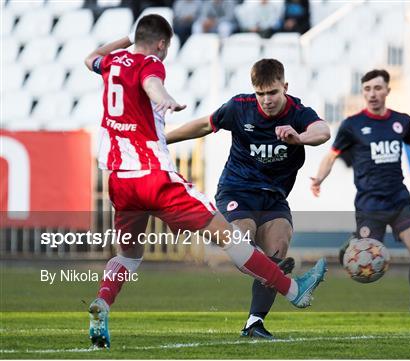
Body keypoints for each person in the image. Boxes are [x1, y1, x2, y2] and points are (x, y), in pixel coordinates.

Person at [84, 14, 327, 349]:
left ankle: (103, 302)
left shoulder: (112, 62)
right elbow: (151, 81)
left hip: (119, 180)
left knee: (129, 255)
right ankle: (294, 290)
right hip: (155, 176)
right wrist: (163, 96)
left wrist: (127, 41)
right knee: (231, 237)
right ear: (162, 44)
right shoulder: (152, 64)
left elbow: (90, 57)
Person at [166, 58, 331, 338]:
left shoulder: (298, 112)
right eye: (261, 94)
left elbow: (323, 132)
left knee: (278, 247)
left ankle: (254, 323)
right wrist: (162, 140)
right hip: (237, 190)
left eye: (273, 93)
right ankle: (284, 281)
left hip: (275, 197)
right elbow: (203, 126)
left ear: (285, 87)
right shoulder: (239, 107)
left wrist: (299, 138)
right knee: (242, 238)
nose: (266, 100)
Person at [311, 69, 410, 315]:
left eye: (377, 88)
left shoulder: (402, 122)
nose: (372, 94)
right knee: (364, 271)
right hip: (369, 205)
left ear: (387, 91)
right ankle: (352, 243)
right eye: (367, 89)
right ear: (363, 93)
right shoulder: (352, 125)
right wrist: (319, 178)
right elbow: (331, 156)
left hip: (399, 200)